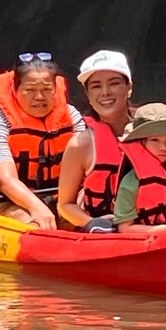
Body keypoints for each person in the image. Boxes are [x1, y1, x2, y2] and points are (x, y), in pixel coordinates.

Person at [0, 54, 87, 230]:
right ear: (15, 89)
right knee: (34, 224)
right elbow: (5, 180)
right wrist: (37, 208)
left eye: (46, 89)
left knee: (88, 215)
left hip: (63, 196)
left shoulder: (71, 116)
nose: (39, 97)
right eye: (30, 90)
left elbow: (88, 164)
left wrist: (82, 195)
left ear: (55, 89)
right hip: (7, 198)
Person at [57, 50, 134, 230]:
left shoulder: (152, 132)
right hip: (102, 230)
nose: (105, 92)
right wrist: (96, 223)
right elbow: (65, 206)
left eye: (114, 83)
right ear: (88, 94)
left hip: (149, 224)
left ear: (129, 88)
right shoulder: (80, 145)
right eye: (96, 86)